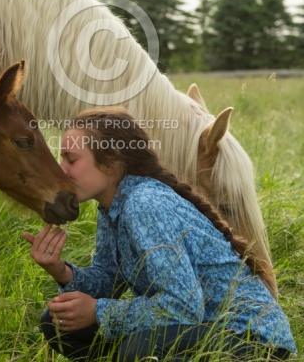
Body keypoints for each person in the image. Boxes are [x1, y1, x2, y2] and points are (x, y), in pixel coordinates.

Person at [23, 107, 296, 362]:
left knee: (142, 348)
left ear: (111, 163)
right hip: (196, 329)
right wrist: (62, 272)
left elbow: (184, 307)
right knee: (58, 322)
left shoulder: (145, 204)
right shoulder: (111, 205)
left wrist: (98, 311)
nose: (62, 169)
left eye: (71, 159)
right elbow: (108, 281)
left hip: (254, 342)